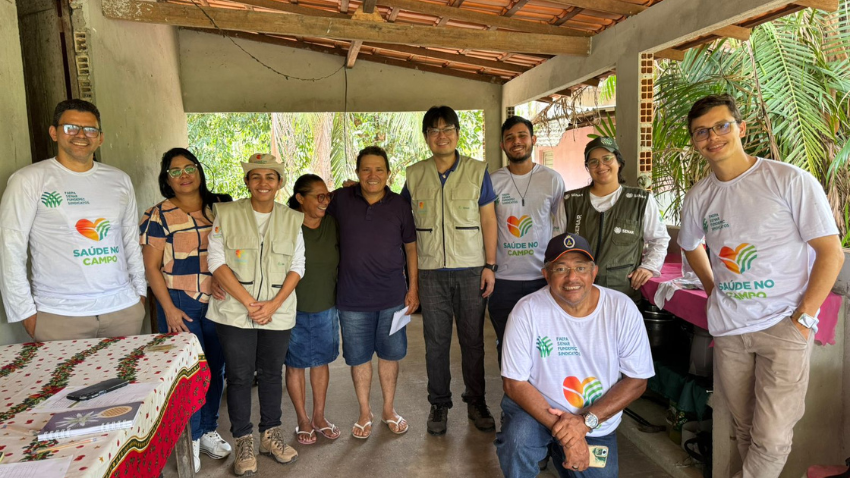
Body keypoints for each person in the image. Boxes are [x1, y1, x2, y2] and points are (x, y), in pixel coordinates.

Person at [678, 94, 844, 478]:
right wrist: (713, 289)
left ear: (741, 128)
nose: (712, 137)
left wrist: (803, 318)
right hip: (731, 330)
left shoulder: (788, 180)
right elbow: (690, 245)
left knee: (771, 438)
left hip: (783, 324)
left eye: (721, 126)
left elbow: (831, 252)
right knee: (744, 429)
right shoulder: (700, 196)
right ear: (695, 141)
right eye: (701, 132)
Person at [495, 233, 654, 477]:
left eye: (580, 268)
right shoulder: (526, 310)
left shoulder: (621, 308)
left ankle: (559, 448)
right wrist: (569, 434)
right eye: (561, 269)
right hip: (538, 410)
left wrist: (584, 423)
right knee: (518, 440)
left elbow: (637, 380)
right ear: (546, 274)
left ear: (594, 272)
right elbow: (514, 383)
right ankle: (552, 447)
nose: (572, 278)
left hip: (595, 419)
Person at [0, 99, 146, 341]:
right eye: (71, 128)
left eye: (90, 129)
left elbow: (130, 239)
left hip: (123, 310)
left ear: (100, 138)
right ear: (54, 132)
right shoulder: (28, 180)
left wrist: (139, 293)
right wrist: (25, 312)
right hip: (59, 314)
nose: (81, 135)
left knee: (128, 368)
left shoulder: (119, 180)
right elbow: (10, 246)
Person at [206, 153, 305, 476]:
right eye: (256, 176)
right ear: (247, 182)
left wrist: (273, 305)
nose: (263, 183)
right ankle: (243, 441)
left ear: (280, 183)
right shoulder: (226, 213)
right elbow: (216, 261)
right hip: (235, 311)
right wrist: (250, 302)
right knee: (238, 376)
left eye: (270, 177)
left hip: (278, 310)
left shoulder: (292, 219)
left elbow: (297, 265)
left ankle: (270, 435)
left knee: (272, 373)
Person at [401, 106, 497, 436]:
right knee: (436, 343)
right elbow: (402, 221)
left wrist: (490, 265)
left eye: (447, 129)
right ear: (426, 137)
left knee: (473, 341)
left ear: (457, 133)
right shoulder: (414, 175)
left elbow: (489, 219)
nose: (441, 136)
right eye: (434, 130)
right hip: (431, 272)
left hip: (471, 270)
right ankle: (439, 403)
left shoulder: (477, 171)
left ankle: (476, 401)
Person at [139, 148, 231, 472]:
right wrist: (168, 309)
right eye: (175, 171)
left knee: (215, 369)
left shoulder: (219, 209)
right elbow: (151, 268)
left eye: (189, 167)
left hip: (218, 301)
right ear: (167, 179)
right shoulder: (158, 215)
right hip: (180, 303)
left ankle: (207, 429)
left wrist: (224, 279)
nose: (184, 175)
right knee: (189, 373)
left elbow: (234, 250)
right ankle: (189, 437)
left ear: (199, 170)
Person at [328, 146, 418, 439]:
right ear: (357, 173)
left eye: (379, 169)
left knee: (390, 356)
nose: (372, 175)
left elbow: (411, 248)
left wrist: (413, 288)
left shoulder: (400, 205)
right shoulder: (341, 199)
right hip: (352, 300)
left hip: (393, 299)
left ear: (388, 173)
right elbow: (312, 208)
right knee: (358, 358)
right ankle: (364, 413)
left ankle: (389, 410)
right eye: (366, 169)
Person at [489, 115, 566, 368]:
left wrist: (557, 269)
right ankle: (512, 392)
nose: (517, 142)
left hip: (542, 279)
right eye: (509, 138)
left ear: (533, 139)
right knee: (507, 345)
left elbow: (561, 226)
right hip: (503, 280)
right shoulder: (493, 181)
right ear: (502, 145)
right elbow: (486, 226)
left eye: (522, 135)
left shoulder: (552, 179)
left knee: (543, 346)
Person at [563, 136, 669, 303]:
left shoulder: (640, 200)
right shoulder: (570, 201)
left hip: (622, 295)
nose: (601, 166)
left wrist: (649, 266)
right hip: (577, 293)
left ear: (618, 162)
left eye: (607, 158)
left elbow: (659, 238)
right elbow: (556, 244)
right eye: (593, 162)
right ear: (588, 167)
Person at [284, 174, 341, 445]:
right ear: (300, 198)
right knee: (295, 365)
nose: (325, 201)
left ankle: (319, 417)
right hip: (291, 306)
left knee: (320, 362)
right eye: (318, 196)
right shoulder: (286, 224)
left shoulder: (332, 223)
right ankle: (303, 420)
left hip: (326, 305)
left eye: (327, 196)